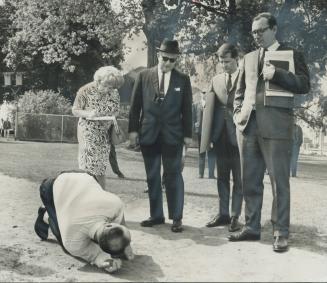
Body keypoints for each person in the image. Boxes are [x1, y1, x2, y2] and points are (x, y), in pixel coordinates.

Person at [230, 12, 310, 252]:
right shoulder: (249, 57)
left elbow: (304, 85)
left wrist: (278, 75)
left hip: (276, 128)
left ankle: (280, 232)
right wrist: (237, 115)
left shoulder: (292, 54)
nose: (257, 36)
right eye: (254, 32)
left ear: (274, 29)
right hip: (248, 127)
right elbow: (240, 90)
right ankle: (252, 227)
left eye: (261, 31)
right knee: (250, 181)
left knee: (279, 182)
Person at [128, 39, 193, 233]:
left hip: (173, 136)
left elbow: (187, 109)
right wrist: (133, 131)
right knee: (152, 176)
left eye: (173, 60)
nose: (168, 63)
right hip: (149, 134)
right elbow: (135, 106)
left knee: (173, 176)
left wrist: (188, 135)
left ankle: (176, 218)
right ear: (158, 55)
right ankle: (156, 215)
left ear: (177, 60)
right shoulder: (143, 76)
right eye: (165, 59)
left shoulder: (183, 79)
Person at [34, 171, 134, 273]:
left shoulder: (115, 203)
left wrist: (126, 244)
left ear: (110, 224)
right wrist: (103, 259)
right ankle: (46, 215)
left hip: (81, 176)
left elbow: (122, 225)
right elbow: (93, 255)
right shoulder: (72, 241)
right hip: (52, 187)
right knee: (62, 240)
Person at [200, 43, 243, 232]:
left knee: (239, 179)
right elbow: (209, 110)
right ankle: (223, 214)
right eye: (221, 62)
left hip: (240, 136)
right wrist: (207, 136)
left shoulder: (247, 78)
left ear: (237, 59)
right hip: (220, 136)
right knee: (222, 178)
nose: (224, 65)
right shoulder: (216, 80)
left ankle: (235, 216)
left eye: (227, 61)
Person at [72, 66, 124, 189]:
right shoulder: (85, 90)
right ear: (98, 80)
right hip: (88, 131)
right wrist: (89, 114)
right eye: (105, 86)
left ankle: (101, 195)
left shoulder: (114, 93)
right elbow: (75, 110)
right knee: (88, 166)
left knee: (101, 167)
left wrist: (111, 116)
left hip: (104, 133)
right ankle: (87, 194)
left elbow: (116, 110)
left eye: (111, 87)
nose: (108, 90)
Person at [194, 91, 216, 179]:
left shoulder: (212, 105)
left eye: (205, 92)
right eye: (203, 92)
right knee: (201, 152)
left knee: (211, 153)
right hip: (200, 132)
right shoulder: (196, 105)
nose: (204, 94)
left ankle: (211, 174)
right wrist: (194, 124)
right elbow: (193, 118)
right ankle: (200, 173)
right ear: (200, 94)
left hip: (210, 132)